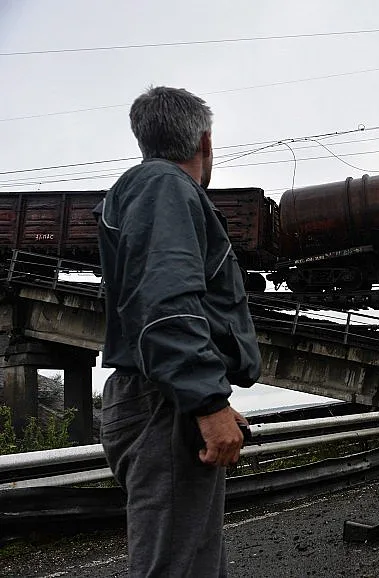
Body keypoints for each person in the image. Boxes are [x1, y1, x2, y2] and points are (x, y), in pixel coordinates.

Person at [93, 86, 262, 576]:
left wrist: (211, 401)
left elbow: (160, 303)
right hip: (161, 406)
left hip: (163, 400)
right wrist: (207, 404)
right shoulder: (164, 186)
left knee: (195, 565)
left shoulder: (145, 189)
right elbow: (165, 305)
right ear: (204, 142)